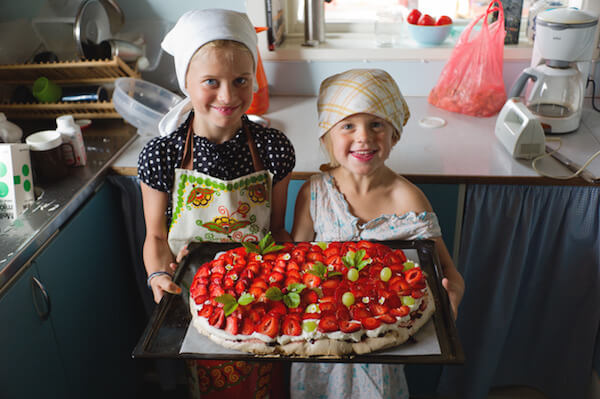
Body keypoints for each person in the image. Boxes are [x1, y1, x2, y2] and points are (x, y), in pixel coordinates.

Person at [136, 9, 295, 399]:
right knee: (210, 384)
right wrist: (158, 277)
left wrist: (290, 273)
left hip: (261, 295)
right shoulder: (161, 154)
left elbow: (276, 230)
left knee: (264, 384)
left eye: (241, 80)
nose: (228, 96)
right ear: (186, 82)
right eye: (211, 81)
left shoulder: (273, 148)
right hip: (194, 298)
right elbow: (155, 236)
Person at [289, 68, 464, 399]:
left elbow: (448, 272)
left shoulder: (408, 199)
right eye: (348, 125)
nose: (364, 137)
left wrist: (451, 295)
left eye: (376, 124)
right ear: (327, 134)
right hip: (320, 345)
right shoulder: (314, 193)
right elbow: (297, 264)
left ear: (394, 134)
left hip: (382, 353)